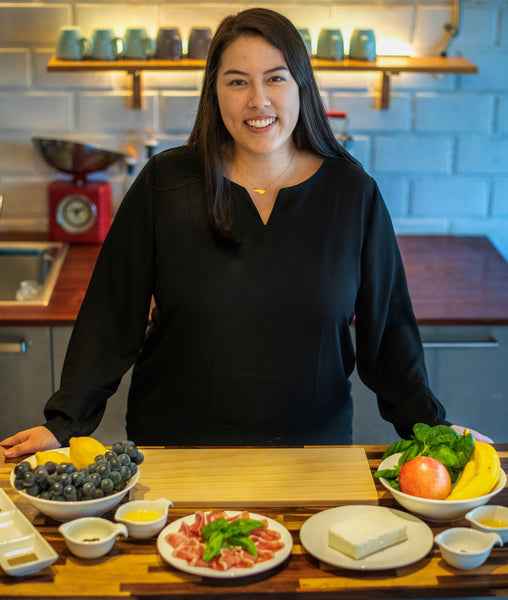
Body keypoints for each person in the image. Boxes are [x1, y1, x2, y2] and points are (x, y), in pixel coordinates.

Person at [1, 8, 492, 458]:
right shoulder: (166, 183)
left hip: (310, 458)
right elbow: (112, 313)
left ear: (302, 85)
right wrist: (64, 423)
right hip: (178, 454)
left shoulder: (351, 192)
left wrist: (432, 431)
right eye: (237, 82)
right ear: (214, 92)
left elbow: (389, 337)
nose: (258, 100)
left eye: (275, 78)